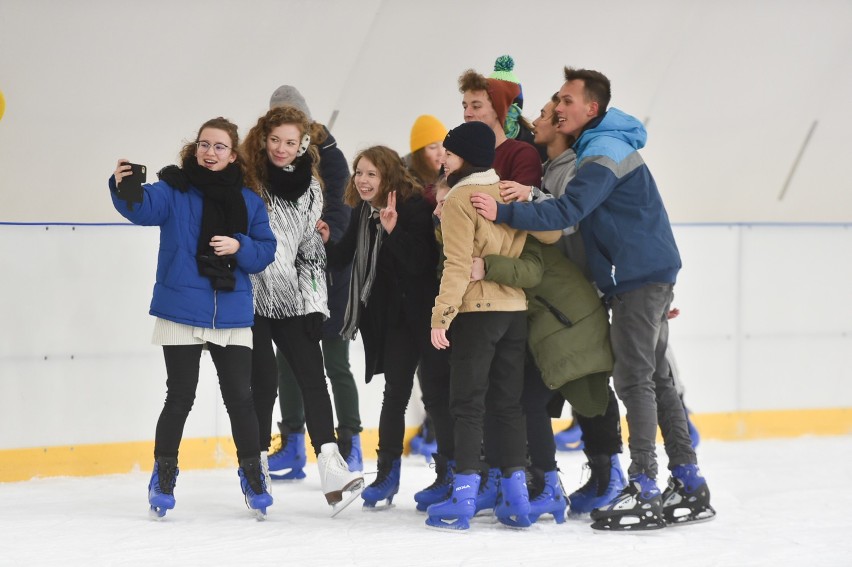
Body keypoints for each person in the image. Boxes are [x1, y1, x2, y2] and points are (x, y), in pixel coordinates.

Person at [470, 67, 716, 530]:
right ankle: (687, 478)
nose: (559, 108)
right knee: (656, 377)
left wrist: (503, 209)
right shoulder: (593, 145)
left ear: (591, 108)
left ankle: (644, 485)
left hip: (638, 277)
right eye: (556, 101)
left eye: (566, 101)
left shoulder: (602, 150)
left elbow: (568, 213)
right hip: (639, 276)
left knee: (634, 379)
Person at [109, 117, 276, 519]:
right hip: (181, 309)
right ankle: (163, 475)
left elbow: (265, 251)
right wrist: (121, 186)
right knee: (180, 396)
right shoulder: (174, 189)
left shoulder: (250, 201)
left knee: (241, 397)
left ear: (233, 155)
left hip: (231, 309)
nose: (210, 152)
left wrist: (240, 244)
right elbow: (141, 207)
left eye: (219, 146)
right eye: (204, 144)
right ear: (195, 148)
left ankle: (253, 475)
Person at [241, 105, 363, 510]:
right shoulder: (249, 182)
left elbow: (311, 249)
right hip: (254, 300)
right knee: (263, 385)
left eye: (290, 142)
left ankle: (330, 466)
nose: (281, 148)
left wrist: (316, 304)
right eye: (275, 140)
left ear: (302, 145)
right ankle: (255, 468)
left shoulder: (312, 189)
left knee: (314, 379)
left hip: (294, 301)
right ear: (264, 138)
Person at [317, 146, 450, 510]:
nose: (362, 180)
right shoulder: (363, 210)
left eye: (371, 174)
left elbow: (420, 264)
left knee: (437, 396)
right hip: (392, 321)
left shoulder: (414, 208)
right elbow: (345, 257)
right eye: (359, 172)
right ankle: (388, 474)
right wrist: (327, 240)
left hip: (425, 316)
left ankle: (449, 473)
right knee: (395, 395)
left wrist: (392, 231)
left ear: (388, 175)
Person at [426, 121, 538, 531]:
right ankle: (518, 499)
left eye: (450, 155)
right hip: (514, 311)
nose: (444, 161)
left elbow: (456, 266)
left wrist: (442, 317)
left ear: (466, 158)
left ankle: (464, 497)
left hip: (476, 313)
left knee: (467, 404)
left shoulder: (460, 198)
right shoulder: (506, 190)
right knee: (508, 405)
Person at [403, 113, 448, 463]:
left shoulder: (454, 180)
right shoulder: (409, 188)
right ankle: (432, 423)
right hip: (422, 287)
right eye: (430, 146)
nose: (438, 152)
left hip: (448, 282)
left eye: (441, 145)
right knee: (427, 362)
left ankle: (439, 425)